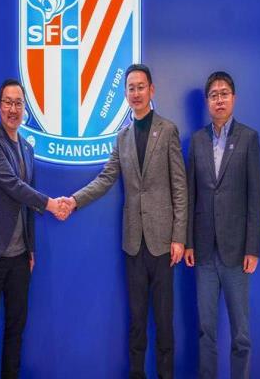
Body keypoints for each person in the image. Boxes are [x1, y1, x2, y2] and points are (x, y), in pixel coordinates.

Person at [62, 64, 187, 379]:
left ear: (151, 90)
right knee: (136, 322)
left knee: (164, 322)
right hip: (133, 244)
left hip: (163, 244)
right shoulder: (122, 137)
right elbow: (106, 178)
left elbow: (180, 187)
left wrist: (179, 237)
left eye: (141, 86)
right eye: (131, 88)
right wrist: (75, 200)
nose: (136, 92)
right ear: (125, 94)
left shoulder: (168, 130)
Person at [0, 78, 66, 379]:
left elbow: (27, 205)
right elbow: (13, 186)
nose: (13, 109)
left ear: (25, 109)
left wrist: (31, 248)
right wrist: (51, 204)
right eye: (8, 103)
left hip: (19, 257)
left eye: (18, 103)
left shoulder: (27, 148)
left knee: (16, 327)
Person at [184, 71, 260, 379]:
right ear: (207, 102)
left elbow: (256, 198)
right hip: (204, 252)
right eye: (214, 95)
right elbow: (191, 195)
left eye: (224, 93)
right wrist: (189, 242)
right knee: (206, 330)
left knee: (240, 333)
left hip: (237, 253)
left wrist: (253, 248)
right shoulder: (197, 141)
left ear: (234, 98)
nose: (219, 99)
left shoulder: (249, 138)